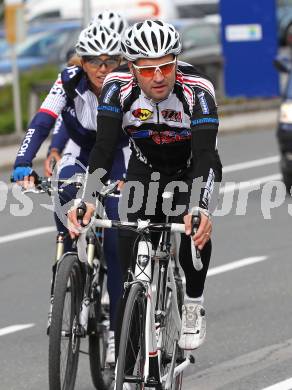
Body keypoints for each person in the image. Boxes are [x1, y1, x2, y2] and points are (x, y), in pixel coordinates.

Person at [68, 19, 222, 352]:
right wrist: (89, 197)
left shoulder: (198, 90)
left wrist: (200, 207)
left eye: (166, 66)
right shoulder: (116, 87)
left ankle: (193, 303)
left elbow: (206, 154)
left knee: (192, 231)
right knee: (128, 238)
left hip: (191, 168)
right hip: (145, 169)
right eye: (148, 68)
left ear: (176, 63)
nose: (158, 76)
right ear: (132, 66)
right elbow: (104, 149)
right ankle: (141, 314)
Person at [12, 21, 129, 363]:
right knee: (64, 191)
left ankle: (115, 332)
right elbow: (44, 120)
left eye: (110, 62)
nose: (102, 69)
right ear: (82, 60)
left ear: (121, 61)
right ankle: (65, 280)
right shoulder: (68, 80)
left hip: (119, 155)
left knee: (118, 238)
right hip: (80, 152)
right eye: (94, 61)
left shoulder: (128, 82)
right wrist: (22, 160)